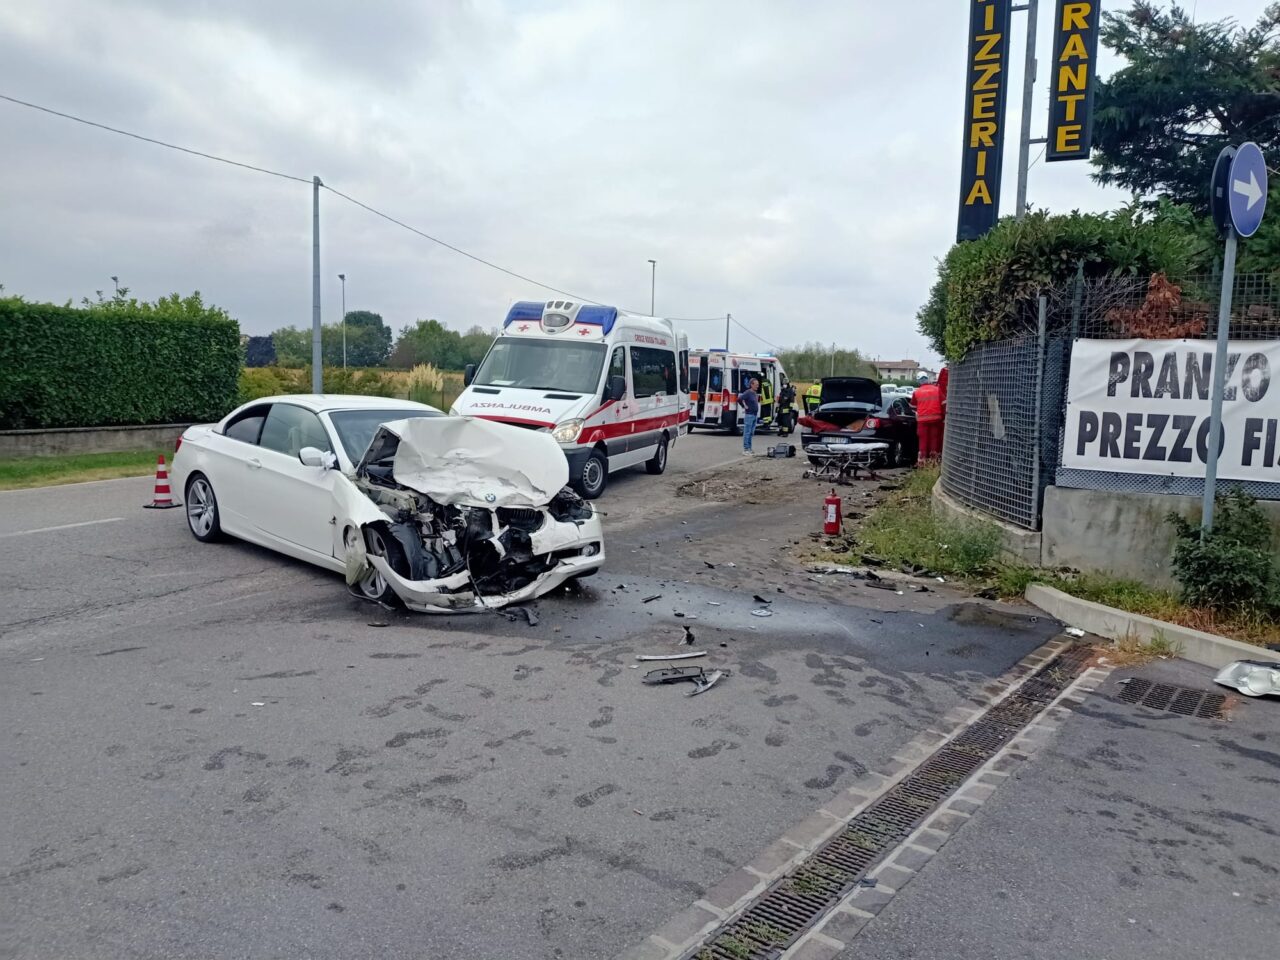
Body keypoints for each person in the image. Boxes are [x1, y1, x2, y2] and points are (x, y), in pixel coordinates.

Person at [912, 377, 943, 461]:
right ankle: (933, 461)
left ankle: (922, 462)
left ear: (919, 381)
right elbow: (943, 403)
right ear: (928, 380)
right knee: (934, 439)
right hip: (936, 419)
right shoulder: (937, 389)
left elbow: (913, 406)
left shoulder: (916, 392)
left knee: (923, 441)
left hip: (922, 420)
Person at [739, 377, 760, 455]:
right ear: (751, 384)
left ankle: (750, 448)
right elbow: (739, 399)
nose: (757, 386)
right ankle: (746, 449)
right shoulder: (748, 392)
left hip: (754, 415)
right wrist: (744, 406)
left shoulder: (755, 393)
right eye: (756, 385)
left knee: (751, 432)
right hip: (749, 415)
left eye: (758, 385)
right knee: (747, 432)